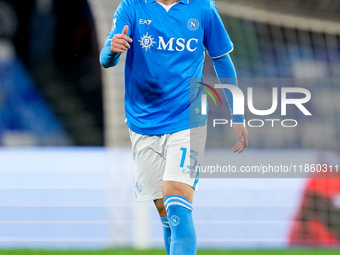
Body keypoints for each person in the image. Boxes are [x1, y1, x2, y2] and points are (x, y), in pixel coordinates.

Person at [100, 0, 248, 254]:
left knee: (176, 198)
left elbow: (222, 60)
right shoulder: (131, 7)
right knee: (165, 210)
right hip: (143, 121)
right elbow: (106, 59)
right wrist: (112, 50)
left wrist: (237, 114)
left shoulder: (202, 8)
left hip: (188, 116)